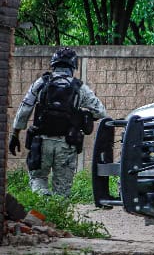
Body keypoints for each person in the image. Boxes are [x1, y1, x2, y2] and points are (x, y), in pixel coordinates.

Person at [8, 47, 107, 197]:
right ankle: (57, 218)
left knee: (38, 179)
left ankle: (42, 212)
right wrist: (81, 114)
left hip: (41, 143)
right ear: (73, 67)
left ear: (53, 64)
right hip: (66, 144)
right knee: (62, 191)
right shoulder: (80, 87)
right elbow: (100, 111)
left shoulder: (41, 82)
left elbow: (24, 109)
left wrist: (15, 134)